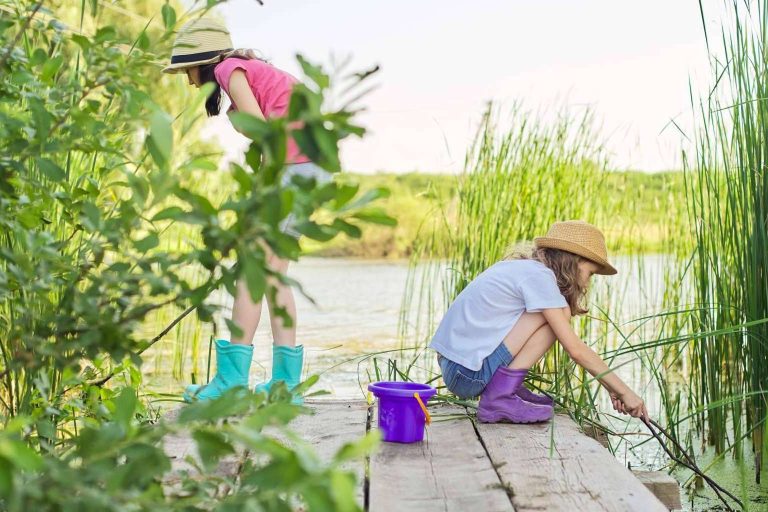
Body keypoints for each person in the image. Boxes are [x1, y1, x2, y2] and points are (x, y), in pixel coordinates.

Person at [163, 17, 329, 403]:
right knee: (274, 276)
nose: (187, 80)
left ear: (201, 62)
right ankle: (285, 386)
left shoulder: (227, 68)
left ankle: (232, 384)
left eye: (186, 70)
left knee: (253, 273)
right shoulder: (254, 69)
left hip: (294, 167)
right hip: (312, 166)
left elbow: (259, 125)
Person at [430, 220, 648, 423]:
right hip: (468, 375)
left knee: (555, 311)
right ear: (574, 261)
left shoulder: (524, 270)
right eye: (590, 274)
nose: (588, 284)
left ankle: (505, 388)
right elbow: (575, 349)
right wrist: (625, 391)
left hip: (458, 368)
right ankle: (500, 396)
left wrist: (612, 388)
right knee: (559, 314)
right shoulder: (539, 277)